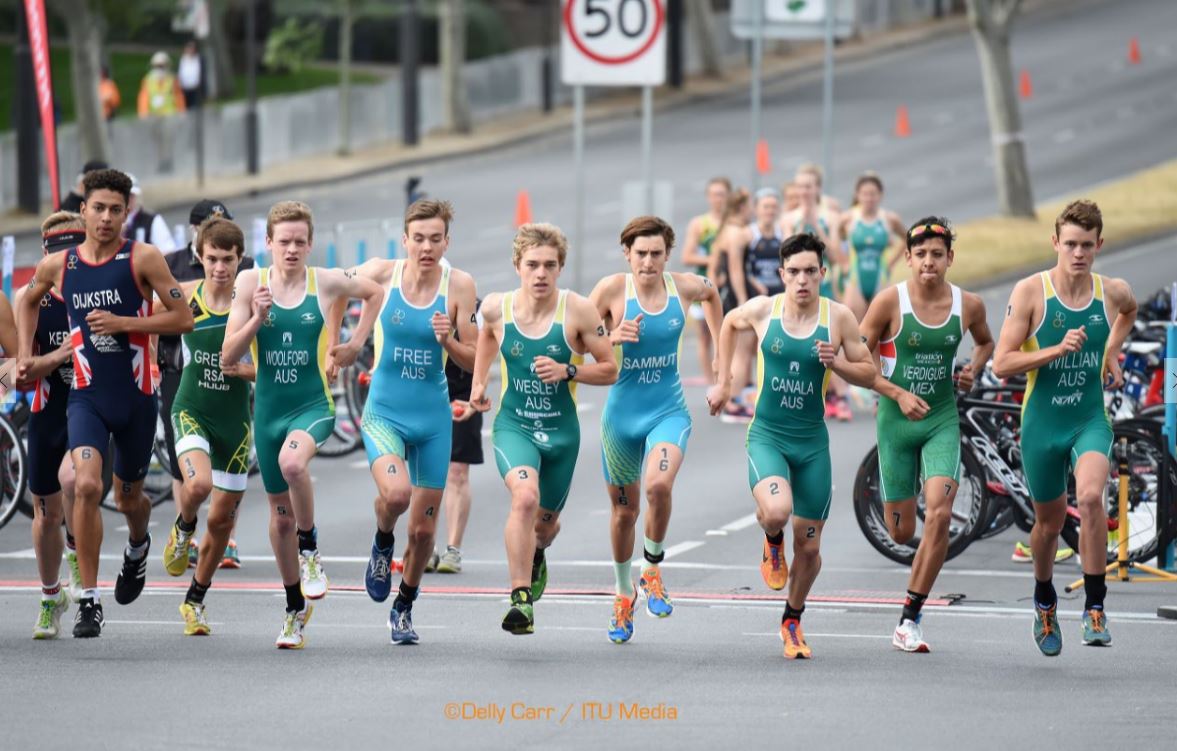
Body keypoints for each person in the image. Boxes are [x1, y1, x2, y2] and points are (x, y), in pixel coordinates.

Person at [14, 168, 194, 639]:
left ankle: (138, 546)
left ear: (126, 212)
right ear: (85, 209)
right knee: (87, 485)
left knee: (129, 496)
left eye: (117, 209)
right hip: (87, 398)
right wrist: (24, 355)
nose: (107, 217)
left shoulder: (144, 258)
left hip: (135, 397)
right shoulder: (61, 266)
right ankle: (89, 601)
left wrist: (125, 323)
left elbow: (183, 317)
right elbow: (26, 300)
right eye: (99, 208)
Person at [707, 232, 875, 659]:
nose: (802, 280)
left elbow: (868, 371)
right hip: (768, 436)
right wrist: (724, 382)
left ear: (823, 273)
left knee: (812, 548)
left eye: (810, 272)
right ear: (782, 274)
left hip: (812, 444)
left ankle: (792, 619)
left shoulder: (837, 318)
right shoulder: (765, 310)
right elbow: (728, 322)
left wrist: (836, 363)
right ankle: (771, 539)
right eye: (794, 272)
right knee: (777, 511)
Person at [222, 201, 381, 649]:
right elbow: (227, 357)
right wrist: (256, 317)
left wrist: (353, 343)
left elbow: (374, 293)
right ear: (268, 243)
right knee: (279, 519)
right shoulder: (250, 282)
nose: (291, 249)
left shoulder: (325, 280)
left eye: (299, 242)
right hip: (269, 411)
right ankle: (294, 608)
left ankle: (311, 550)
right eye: (283, 242)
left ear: (310, 245)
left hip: (312, 405)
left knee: (294, 465)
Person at [993, 199, 1136, 656]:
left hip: (1088, 418)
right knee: (1048, 525)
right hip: (1043, 425)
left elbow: (1129, 311)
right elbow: (1001, 363)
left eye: (1086, 246)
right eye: (1070, 244)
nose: (1078, 253)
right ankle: (1044, 598)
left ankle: (1095, 607)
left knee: (1092, 497)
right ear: (1055, 242)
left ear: (1099, 245)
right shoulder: (1032, 293)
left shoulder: (1109, 292)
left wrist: (1110, 351)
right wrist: (1054, 350)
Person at [468, 223, 617, 635]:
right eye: (532, 264)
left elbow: (610, 369)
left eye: (550, 265)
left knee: (545, 525)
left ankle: (537, 554)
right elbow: (486, 336)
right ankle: (519, 600)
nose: (540, 274)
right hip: (515, 426)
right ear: (517, 266)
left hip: (561, 435)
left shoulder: (579, 311)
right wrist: (480, 383)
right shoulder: (498, 307)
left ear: (560, 267)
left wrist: (569, 370)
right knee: (524, 497)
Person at [858, 217, 994, 652]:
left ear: (950, 258)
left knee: (939, 514)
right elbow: (859, 362)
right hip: (896, 424)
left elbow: (986, 342)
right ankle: (906, 492)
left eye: (938, 254)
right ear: (908, 259)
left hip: (940, 419)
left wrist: (974, 368)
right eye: (921, 255)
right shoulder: (887, 303)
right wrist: (895, 393)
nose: (929, 262)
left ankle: (910, 618)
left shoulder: (968, 305)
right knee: (901, 532)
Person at [348, 199, 478, 644]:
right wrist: (347, 343)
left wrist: (450, 340)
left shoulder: (459, 286)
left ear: (447, 241)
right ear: (404, 240)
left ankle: (404, 605)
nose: (426, 247)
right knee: (397, 495)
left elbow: (477, 355)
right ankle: (383, 540)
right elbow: (328, 288)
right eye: (418, 238)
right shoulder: (382, 273)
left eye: (435, 239)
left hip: (433, 419)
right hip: (384, 410)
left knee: (424, 532)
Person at [589, 216, 723, 644]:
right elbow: (573, 339)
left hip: (668, 409)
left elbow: (714, 294)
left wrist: (720, 358)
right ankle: (623, 591)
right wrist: (610, 336)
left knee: (659, 486)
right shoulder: (611, 291)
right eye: (640, 253)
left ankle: (652, 568)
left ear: (667, 255)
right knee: (624, 512)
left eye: (656, 254)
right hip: (621, 418)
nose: (648, 262)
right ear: (626, 253)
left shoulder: (683, 286)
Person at [159, 217, 255, 636]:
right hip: (191, 407)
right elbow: (149, 330)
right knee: (196, 487)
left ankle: (195, 601)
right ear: (199, 256)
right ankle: (182, 530)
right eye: (212, 258)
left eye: (228, 260)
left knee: (220, 521)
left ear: (240, 259)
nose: (219, 267)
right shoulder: (185, 297)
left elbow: (269, 370)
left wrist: (243, 371)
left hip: (235, 423)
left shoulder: (249, 304)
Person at [14, 213, 88, 638]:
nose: (63, 262)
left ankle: (78, 560)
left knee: (74, 478)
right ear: (44, 255)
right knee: (45, 514)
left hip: (91, 405)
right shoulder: (30, 298)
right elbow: (16, 373)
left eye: (71, 251)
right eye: (56, 253)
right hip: (47, 411)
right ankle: (49, 595)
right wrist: (60, 356)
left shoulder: (101, 289)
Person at [423, 291, 484, 575]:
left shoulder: (478, 311)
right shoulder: (419, 307)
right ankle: (425, 545)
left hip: (463, 394)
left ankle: (453, 550)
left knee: (457, 472)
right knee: (425, 475)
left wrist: (477, 397)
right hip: (426, 396)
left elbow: (487, 357)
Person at [782, 167, 850, 420]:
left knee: (831, 338)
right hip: (800, 288)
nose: (804, 191)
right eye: (800, 186)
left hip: (827, 284)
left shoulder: (831, 216)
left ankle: (840, 394)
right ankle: (815, 394)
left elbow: (837, 255)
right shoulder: (788, 218)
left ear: (817, 188)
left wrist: (815, 226)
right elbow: (788, 254)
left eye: (809, 186)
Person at [717, 187, 783, 423]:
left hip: (776, 300)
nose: (769, 211)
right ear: (756, 208)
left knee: (767, 351)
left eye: (773, 206)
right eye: (765, 206)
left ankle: (758, 398)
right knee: (743, 351)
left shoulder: (783, 232)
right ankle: (732, 401)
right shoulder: (744, 234)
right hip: (751, 301)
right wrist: (744, 299)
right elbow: (736, 269)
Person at [678, 177, 730, 385]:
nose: (719, 199)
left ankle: (727, 376)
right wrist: (714, 259)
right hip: (705, 286)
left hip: (729, 285)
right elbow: (687, 256)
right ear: (709, 197)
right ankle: (711, 381)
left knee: (728, 333)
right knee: (704, 336)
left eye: (723, 194)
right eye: (715, 194)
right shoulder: (700, 224)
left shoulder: (734, 222)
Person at [839, 173, 906, 320]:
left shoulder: (889, 219)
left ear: (880, 195)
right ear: (857, 195)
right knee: (855, 330)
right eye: (865, 194)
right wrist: (843, 262)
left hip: (880, 278)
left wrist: (892, 263)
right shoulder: (848, 218)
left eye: (873, 194)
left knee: (880, 329)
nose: (869, 198)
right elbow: (834, 241)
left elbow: (908, 239)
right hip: (855, 280)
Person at [137, 51, 186, 172]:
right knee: (157, 141)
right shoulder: (148, 80)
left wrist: (181, 111)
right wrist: (143, 112)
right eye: (158, 66)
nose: (160, 68)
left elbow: (178, 96)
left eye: (162, 66)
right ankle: (160, 162)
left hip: (169, 115)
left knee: (169, 140)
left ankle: (169, 161)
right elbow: (143, 96)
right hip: (154, 116)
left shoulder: (172, 79)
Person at [124, 174, 177, 252]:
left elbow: (168, 252)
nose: (127, 199)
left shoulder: (152, 220)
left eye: (131, 195)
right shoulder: (110, 221)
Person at [178, 41, 203, 110]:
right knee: (186, 105)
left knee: (195, 106)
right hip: (184, 86)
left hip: (195, 87)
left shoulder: (198, 59)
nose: (190, 50)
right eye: (189, 48)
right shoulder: (183, 59)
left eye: (192, 48)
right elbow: (181, 72)